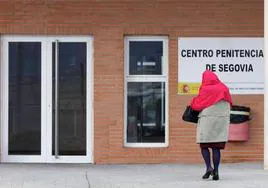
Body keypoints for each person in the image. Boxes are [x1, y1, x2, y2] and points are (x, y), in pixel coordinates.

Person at [190, 70, 232, 181]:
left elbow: (198, 105)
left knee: (204, 145)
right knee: (216, 147)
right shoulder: (224, 88)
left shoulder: (205, 89)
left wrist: (193, 101)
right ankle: (216, 171)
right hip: (220, 121)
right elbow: (229, 103)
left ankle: (209, 167)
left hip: (206, 121)